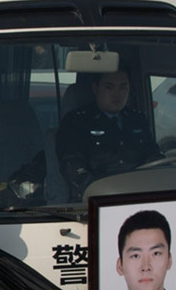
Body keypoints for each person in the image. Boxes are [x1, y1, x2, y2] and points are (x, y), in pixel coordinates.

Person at [56, 69, 163, 200]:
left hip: (139, 194)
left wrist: (164, 173)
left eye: (123, 87)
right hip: (95, 199)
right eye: (109, 87)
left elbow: (153, 156)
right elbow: (72, 165)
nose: (117, 94)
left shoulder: (138, 120)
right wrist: (96, 191)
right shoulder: (77, 121)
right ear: (95, 88)